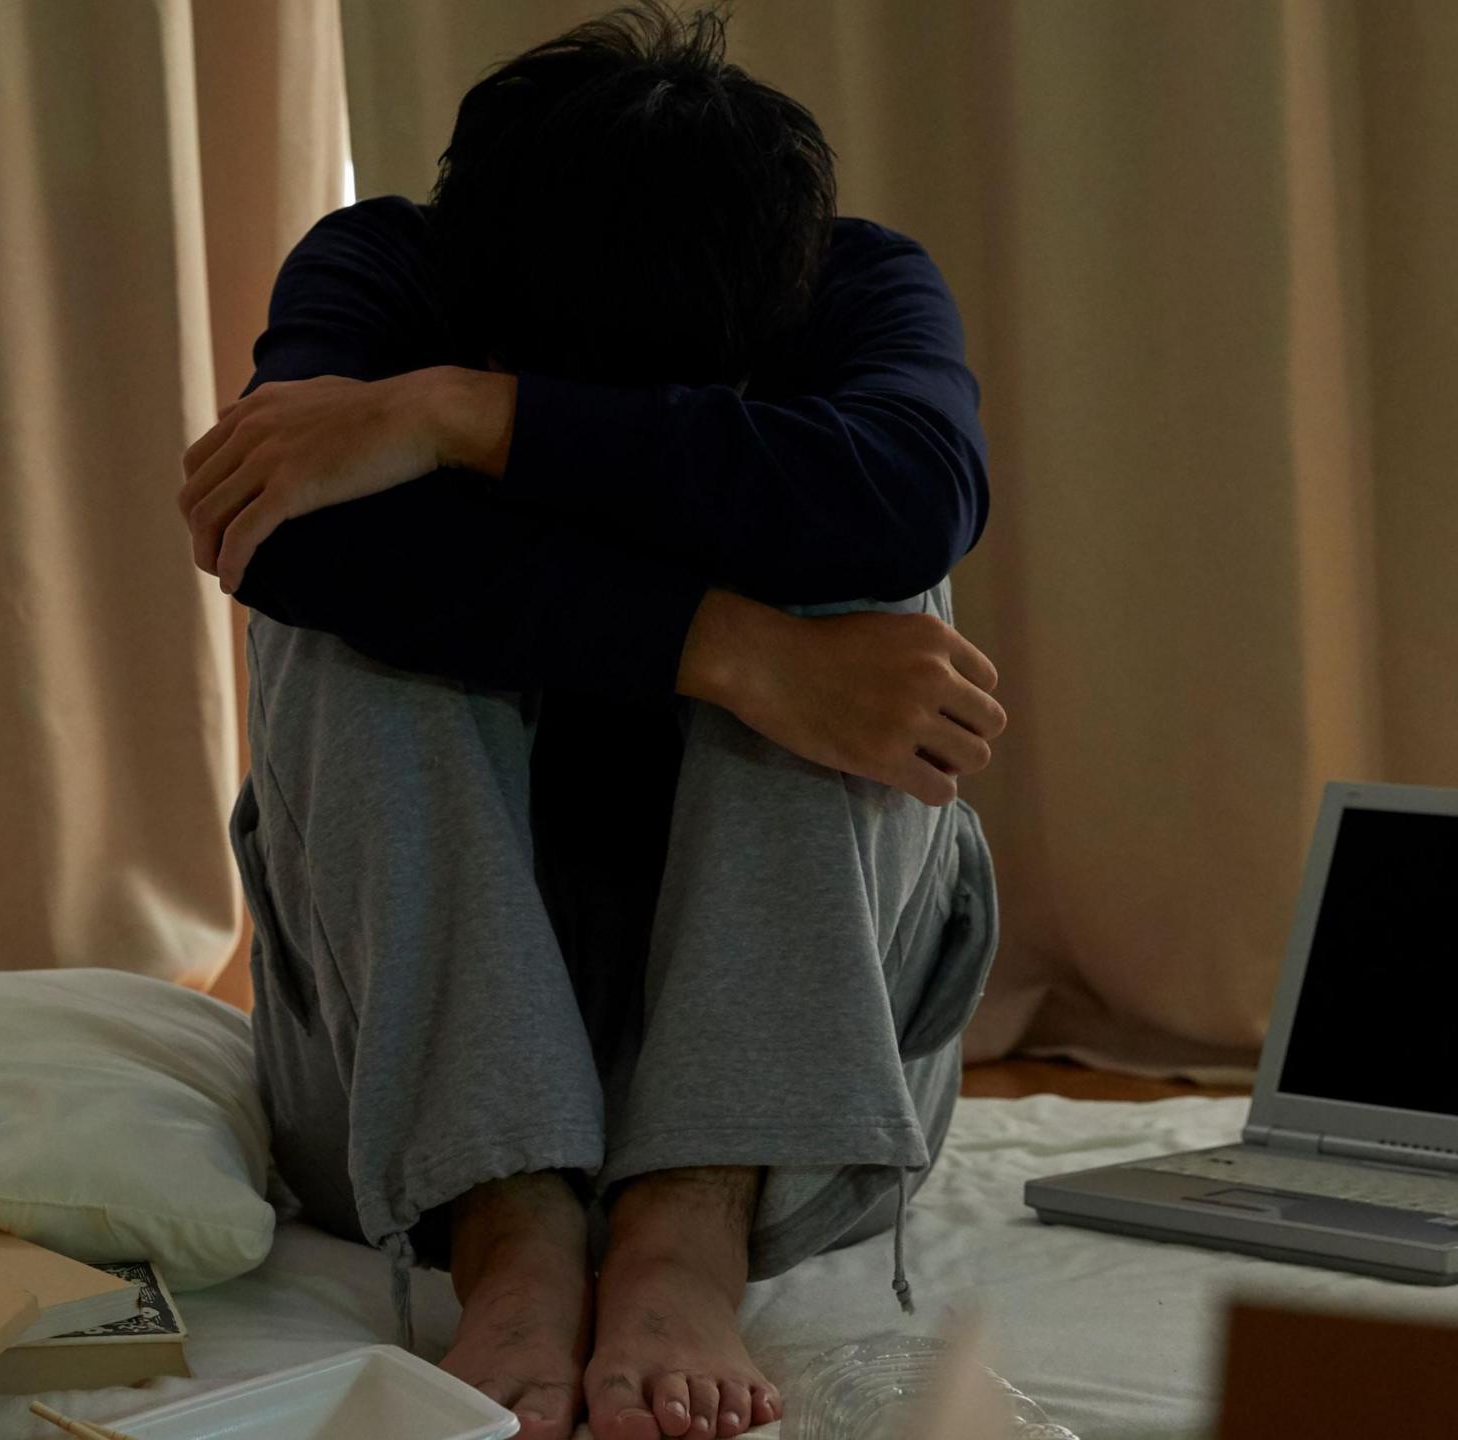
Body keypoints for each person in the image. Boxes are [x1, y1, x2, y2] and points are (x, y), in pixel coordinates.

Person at [176, 8, 1004, 1440]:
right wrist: (726, 649)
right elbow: (276, 541)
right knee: (338, 612)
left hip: (803, 1051)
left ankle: (695, 1218)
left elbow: (913, 497)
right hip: (409, 1057)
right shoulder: (384, 270)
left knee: (870, 587)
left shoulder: (852, 280)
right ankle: (512, 1223)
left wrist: (471, 419)